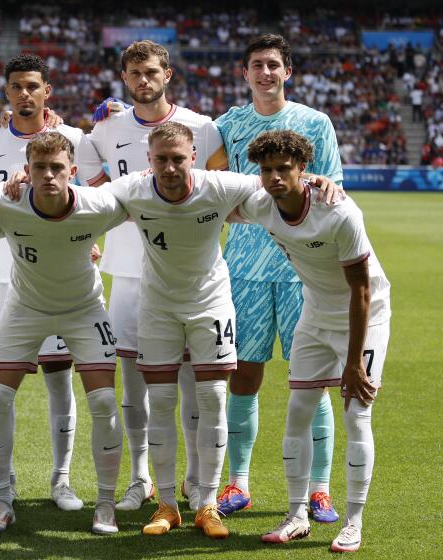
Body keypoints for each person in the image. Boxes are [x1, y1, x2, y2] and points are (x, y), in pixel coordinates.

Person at [101, 121, 340, 540]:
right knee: (161, 402)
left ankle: (207, 504)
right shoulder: (132, 189)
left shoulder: (221, 185)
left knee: (211, 399)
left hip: (210, 304)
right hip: (156, 307)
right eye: (161, 160)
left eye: (178, 159)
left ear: (193, 156)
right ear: (149, 161)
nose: (170, 168)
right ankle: (167, 506)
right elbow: (80, 199)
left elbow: (278, 183)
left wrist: (315, 181)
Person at [87, 39, 228, 514]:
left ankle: (193, 481)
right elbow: (89, 186)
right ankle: (141, 478)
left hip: (187, 278)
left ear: (167, 74)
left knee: (194, 382)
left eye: (151, 72)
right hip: (127, 274)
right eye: (134, 74)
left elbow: (219, 190)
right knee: (137, 382)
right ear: (124, 79)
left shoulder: (202, 128)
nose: (143, 81)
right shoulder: (106, 127)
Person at [0, 53, 106, 512]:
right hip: (2, 276)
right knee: (0, 388)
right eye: (16, 87)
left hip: (64, 277)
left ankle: (61, 481)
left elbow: (96, 198)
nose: (24, 94)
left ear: (47, 91)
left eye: (33, 86)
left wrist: (86, 239)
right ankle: (1, 486)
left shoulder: (74, 139)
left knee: (59, 379)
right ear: (6, 92)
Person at [235, 130, 389, 553]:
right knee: (298, 409)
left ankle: (354, 522)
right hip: (315, 313)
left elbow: (360, 290)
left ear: (303, 169)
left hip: (364, 317)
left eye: (284, 168)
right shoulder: (261, 204)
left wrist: (353, 363)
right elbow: (214, 199)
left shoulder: (339, 212)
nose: (274, 177)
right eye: (266, 170)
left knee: (357, 414)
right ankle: (296, 514)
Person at [214, 34, 344, 522]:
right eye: (256, 65)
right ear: (244, 73)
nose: (265, 73)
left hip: (301, 273)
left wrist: (328, 183)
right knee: (244, 375)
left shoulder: (315, 122)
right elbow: (198, 164)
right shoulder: (227, 124)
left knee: (311, 381)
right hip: (244, 271)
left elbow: (334, 184)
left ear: (287, 71)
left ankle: (319, 488)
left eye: (273, 65)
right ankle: (239, 482)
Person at [0, 131, 125, 534]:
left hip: (84, 310)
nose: (47, 175)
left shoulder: (97, 204)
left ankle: (105, 505)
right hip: (25, 309)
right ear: (26, 171)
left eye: (56, 168)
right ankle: (2, 502)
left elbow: (141, 193)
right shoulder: (5, 200)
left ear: (72, 172)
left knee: (106, 403)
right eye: (38, 168)